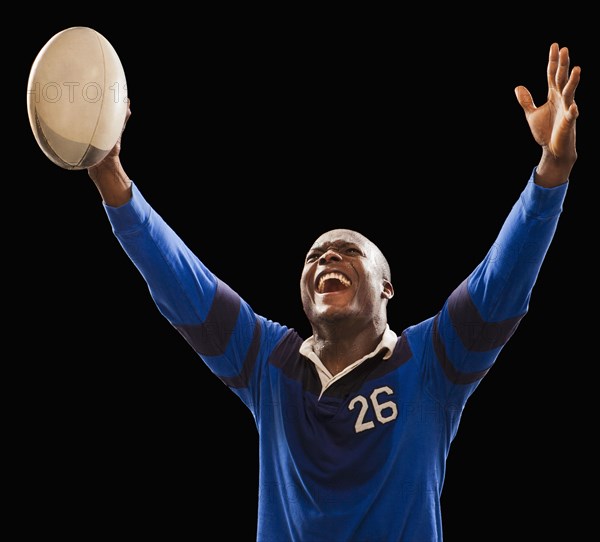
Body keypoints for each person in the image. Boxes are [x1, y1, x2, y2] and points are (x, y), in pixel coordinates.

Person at [86, 43, 580, 541]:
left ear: (386, 288)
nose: (326, 258)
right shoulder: (268, 363)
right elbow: (180, 281)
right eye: (314, 257)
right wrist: (111, 176)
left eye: (347, 251)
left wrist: (551, 176)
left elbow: (502, 281)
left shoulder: (431, 362)